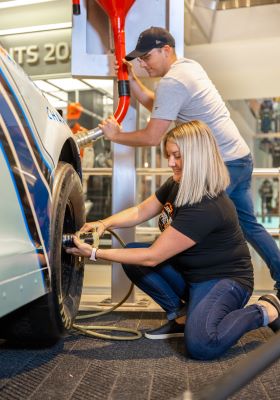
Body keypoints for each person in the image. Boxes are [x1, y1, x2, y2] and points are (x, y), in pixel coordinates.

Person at [66, 120, 280, 360]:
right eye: (169, 155)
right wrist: (104, 223)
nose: (170, 163)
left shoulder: (207, 205)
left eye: (177, 156)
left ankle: (266, 310)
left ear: (197, 157)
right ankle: (182, 317)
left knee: (203, 345)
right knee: (132, 255)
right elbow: (140, 211)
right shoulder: (176, 184)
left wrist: (94, 253)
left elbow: (153, 256)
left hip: (224, 282)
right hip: (191, 275)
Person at [98, 26, 280, 297]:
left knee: (183, 226)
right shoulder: (188, 68)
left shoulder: (173, 81)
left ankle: (189, 296)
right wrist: (132, 78)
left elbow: (152, 136)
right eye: (140, 59)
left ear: (166, 49)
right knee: (249, 225)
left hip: (221, 165)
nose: (143, 63)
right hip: (239, 158)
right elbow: (160, 107)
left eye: (146, 57)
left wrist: (117, 136)